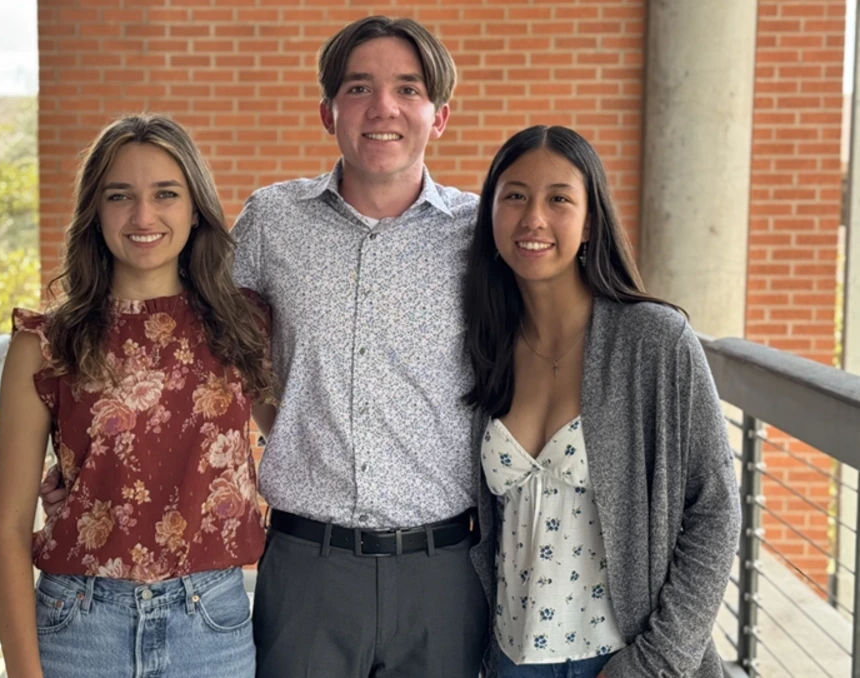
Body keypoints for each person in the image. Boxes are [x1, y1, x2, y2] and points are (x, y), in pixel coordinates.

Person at [41, 16, 492, 677]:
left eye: (408, 89)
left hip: (444, 572)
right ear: (327, 111)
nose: (383, 108)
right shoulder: (271, 223)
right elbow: (184, 342)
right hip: (308, 566)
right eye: (359, 88)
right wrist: (92, 469)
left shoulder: (481, 236)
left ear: (439, 115)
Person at [0, 113, 276, 678]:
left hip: (211, 625)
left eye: (165, 194)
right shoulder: (45, 344)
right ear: (95, 212)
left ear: (195, 210)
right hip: (78, 626)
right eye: (121, 196)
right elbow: (6, 528)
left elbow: (300, 436)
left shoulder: (244, 326)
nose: (144, 216)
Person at [463, 125, 740, 677]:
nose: (533, 218)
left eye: (558, 199)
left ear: (590, 221)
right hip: (510, 660)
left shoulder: (655, 341)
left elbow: (714, 510)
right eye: (514, 195)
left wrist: (654, 662)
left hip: (627, 659)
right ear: (491, 213)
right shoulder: (483, 344)